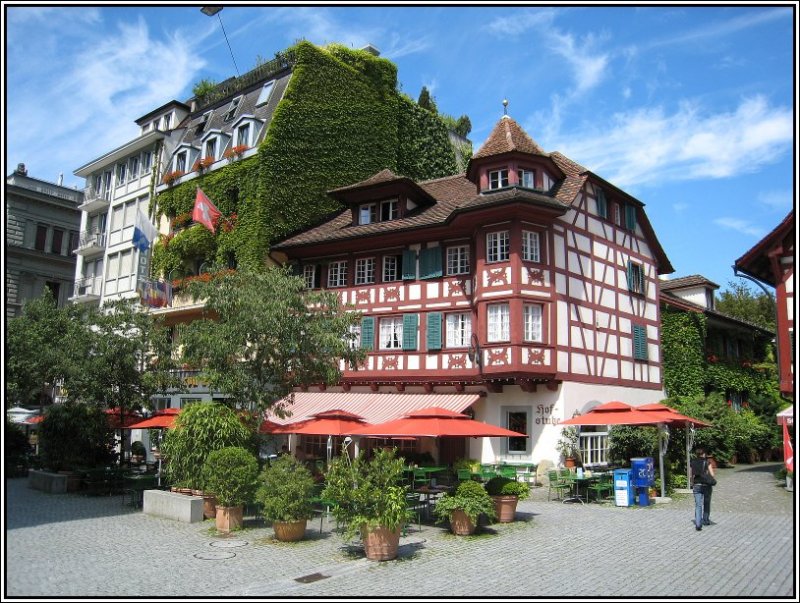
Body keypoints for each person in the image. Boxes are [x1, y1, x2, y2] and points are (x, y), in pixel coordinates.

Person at [690, 446, 716, 531]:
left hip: (697, 485)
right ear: (703, 454)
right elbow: (712, 475)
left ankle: (698, 524)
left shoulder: (692, 462)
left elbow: (691, 475)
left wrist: (692, 483)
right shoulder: (707, 462)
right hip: (706, 485)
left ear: (696, 454)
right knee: (707, 503)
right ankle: (706, 520)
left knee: (698, 505)